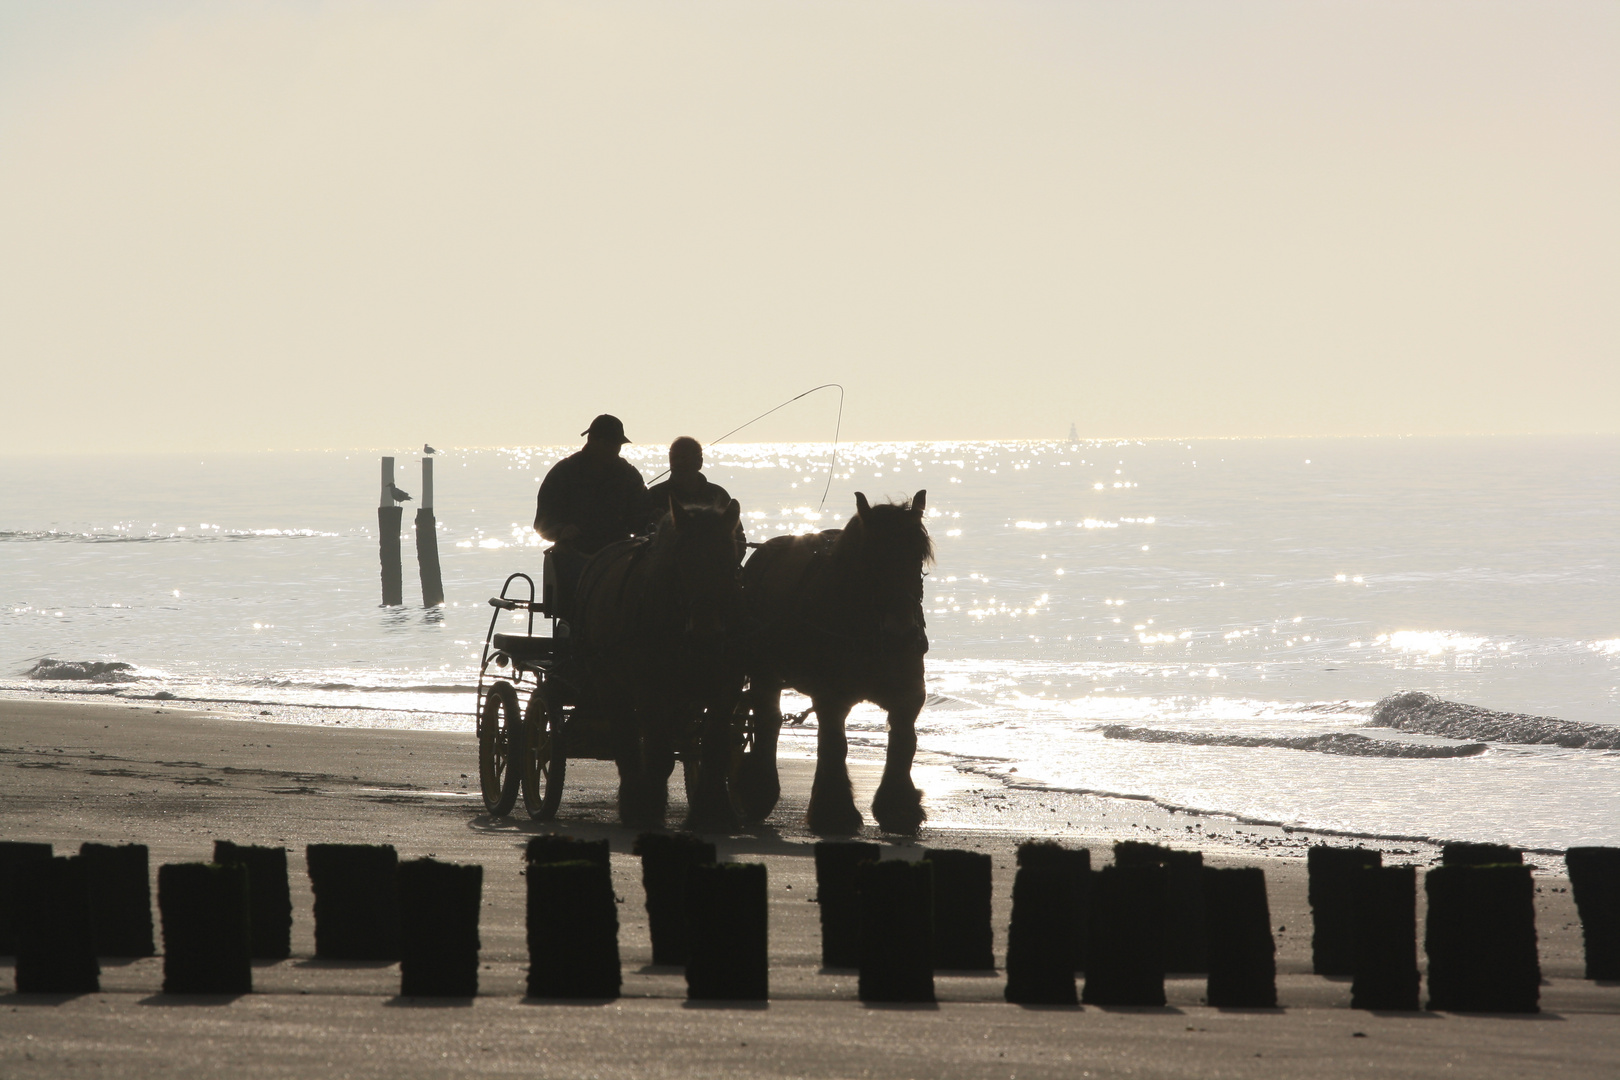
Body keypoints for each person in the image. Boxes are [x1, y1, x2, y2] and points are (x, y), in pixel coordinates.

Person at [534, 414, 648, 620]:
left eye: (617, 444)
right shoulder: (564, 473)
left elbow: (640, 519)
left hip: (619, 553)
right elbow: (542, 523)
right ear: (592, 441)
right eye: (609, 443)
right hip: (575, 554)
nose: (615, 449)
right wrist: (561, 531)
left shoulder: (628, 475)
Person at [642, 436, 733, 532]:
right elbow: (640, 537)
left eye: (683, 458)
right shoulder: (655, 494)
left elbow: (738, 537)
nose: (678, 462)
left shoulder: (718, 495)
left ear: (699, 462)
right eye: (674, 458)